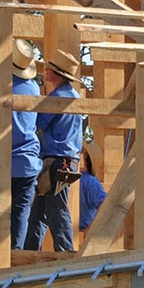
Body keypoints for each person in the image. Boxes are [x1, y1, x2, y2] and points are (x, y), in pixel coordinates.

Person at [25, 43, 89, 251]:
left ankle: (65, 252)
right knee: (41, 212)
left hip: (56, 160)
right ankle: (32, 251)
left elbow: (38, 123)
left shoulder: (57, 98)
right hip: (64, 160)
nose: (45, 71)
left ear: (56, 74)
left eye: (49, 69)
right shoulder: (73, 96)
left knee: (54, 210)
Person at [9, 51, 42, 250]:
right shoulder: (34, 87)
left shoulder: (2, 84)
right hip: (29, 158)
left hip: (4, 158)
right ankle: (15, 251)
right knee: (21, 210)